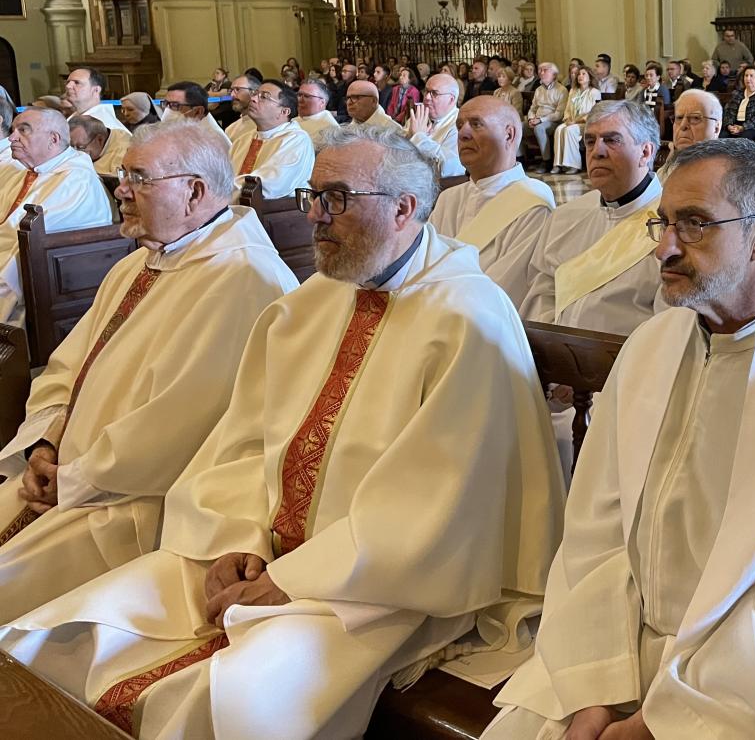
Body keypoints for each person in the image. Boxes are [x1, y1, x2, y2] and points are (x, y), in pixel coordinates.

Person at [1, 126, 565, 739]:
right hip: (257, 556)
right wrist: (233, 540)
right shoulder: (308, 305)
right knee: (66, 638)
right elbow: (241, 445)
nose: (315, 218)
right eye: (312, 196)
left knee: (217, 703)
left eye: (337, 199)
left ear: (403, 208)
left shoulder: (468, 320)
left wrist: (290, 579)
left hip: (383, 584)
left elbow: (439, 506)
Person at [486, 138, 755, 740]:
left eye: (695, 225)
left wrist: (660, 721)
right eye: (664, 222)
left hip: (745, 691)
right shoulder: (650, 347)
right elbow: (596, 534)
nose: (665, 247)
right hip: (613, 648)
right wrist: (597, 688)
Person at [0, 120, 298, 622]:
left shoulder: (242, 279)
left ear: (194, 192)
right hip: (66, 479)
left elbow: (177, 429)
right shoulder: (142, 261)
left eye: (139, 177)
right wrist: (45, 444)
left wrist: (71, 480)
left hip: (134, 507)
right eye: (123, 174)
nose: (120, 190)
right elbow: (65, 367)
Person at [525, 101, 664, 333]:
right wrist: (553, 345)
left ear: (645, 152)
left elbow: (669, 324)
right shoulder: (565, 216)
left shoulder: (671, 225)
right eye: (590, 141)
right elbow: (541, 290)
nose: (597, 152)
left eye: (612, 140)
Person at [430, 97, 555, 309]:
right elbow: (424, 265)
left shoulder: (532, 201)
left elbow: (504, 288)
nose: (463, 133)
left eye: (476, 124)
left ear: (509, 134)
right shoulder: (448, 198)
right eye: (460, 126)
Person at [0, 108, 114, 324]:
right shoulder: (28, 172)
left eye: (23, 130)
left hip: (40, 294)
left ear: (53, 139)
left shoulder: (76, 182)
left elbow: (30, 246)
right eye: (13, 130)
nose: (12, 137)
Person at [228, 82, 315, 202]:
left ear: (284, 112)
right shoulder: (242, 140)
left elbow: (269, 184)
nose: (252, 98)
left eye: (263, 97)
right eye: (255, 94)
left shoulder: (297, 140)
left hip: (277, 215)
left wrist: (218, 195)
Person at [405, 73, 467, 177]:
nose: (427, 97)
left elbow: (449, 168)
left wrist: (419, 137)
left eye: (434, 93)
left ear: (451, 99)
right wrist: (408, 137)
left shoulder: (460, 125)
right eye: (426, 91)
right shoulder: (420, 117)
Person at [551, 66, 602, 174]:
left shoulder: (594, 92)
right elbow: (568, 108)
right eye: (579, 74)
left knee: (570, 131)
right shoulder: (573, 91)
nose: (580, 76)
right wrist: (567, 119)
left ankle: (573, 165)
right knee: (559, 129)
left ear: (589, 77)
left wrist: (576, 121)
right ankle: (558, 164)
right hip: (572, 121)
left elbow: (594, 113)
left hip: (587, 124)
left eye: (584, 74)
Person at [63, 67, 130, 140]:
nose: (68, 86)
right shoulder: (75, 117)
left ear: (96, 90)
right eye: (68, 82)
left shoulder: (105, 126)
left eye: (77, 83)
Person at [525, 63, 567, 172]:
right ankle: (521, 158)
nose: (541, 73)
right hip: (536, 119)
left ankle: (546, 161)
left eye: (545, 70)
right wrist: (531, 119)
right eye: (540, 70)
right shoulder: (539, 90)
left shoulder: (561, 90)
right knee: (517, 127)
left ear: (554, 75)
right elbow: (533, 108)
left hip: (552, 122)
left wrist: (540, 120)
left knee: (539, 128)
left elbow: (559, 114)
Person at [667, 89, 722, 161]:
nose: (683, 126)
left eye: (695, 118)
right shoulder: (668, 162)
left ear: (716, 128)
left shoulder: (727, 169)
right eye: (679, 118)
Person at [722, 65, 755, 141]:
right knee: (721, 137)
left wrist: (743, 127)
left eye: (751, 76)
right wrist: (729, 125)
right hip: (735, 125)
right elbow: (728, 111)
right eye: (746, 75)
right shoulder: (738, 93)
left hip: (753, 127)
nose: (748, 78)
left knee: (742, 140)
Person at [223, 75, 259, 144]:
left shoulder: (265, 126)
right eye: (231, 90)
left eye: (237, 89)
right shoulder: (230, 130)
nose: (232, 95)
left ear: (254, 92)